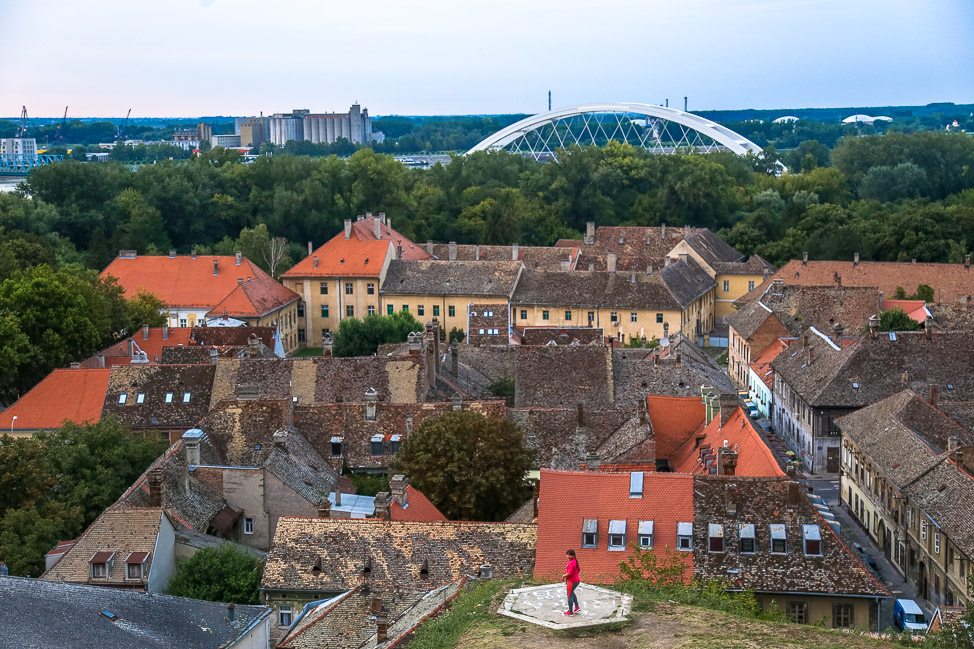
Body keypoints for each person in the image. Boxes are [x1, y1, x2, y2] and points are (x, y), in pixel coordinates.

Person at [562, 549, 580, 615]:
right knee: (572, 593)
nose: (568, 556)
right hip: (576, 580)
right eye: (567, 555)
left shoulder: (572, 563)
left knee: (569, 595)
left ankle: (570, 611)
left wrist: (563, 576)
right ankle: (577, 607)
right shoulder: (575, 561)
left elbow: (569, 573)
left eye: (570, 555)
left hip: (571, 581)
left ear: (573, 555)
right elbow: (578, 570)